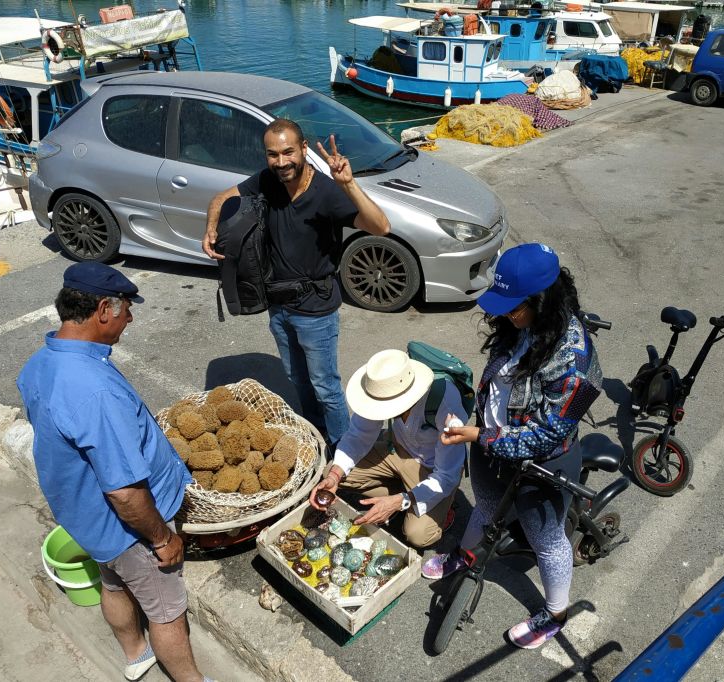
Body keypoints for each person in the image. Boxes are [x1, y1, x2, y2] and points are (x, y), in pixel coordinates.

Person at [17, 262, 213, 682]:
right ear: (104, 309)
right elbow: (125, 493)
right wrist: (162, 539)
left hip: (87, 519)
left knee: (112, 583)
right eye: (127, 308)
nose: (131, 318)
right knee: (167, 611)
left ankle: (135, 653)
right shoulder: (95, 391)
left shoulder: (41, 362)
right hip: (129, 529)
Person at [421, 243, 603, 650]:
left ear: (543, 301)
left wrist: (479, 436)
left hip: (544, 464)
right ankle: (466, 556)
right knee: (484, 508)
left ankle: (555, 614)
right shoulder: (517, 325)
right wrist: (480, 426)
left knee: (547, 540)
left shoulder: (576, 361)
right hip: (492, 448)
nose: (504, 315)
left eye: (513, 307)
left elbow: (548, 433)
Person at [202, 118, 390, 447]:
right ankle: (317, 437)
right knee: (298, 381)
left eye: (288, 152)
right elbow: (219, 199)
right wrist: (211, 229)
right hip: (278, 306)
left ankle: (344, 451)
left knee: (326, 388)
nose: (281, 162)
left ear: (303, 149)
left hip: (316, 310)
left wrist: (348, 184)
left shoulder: (327, 192)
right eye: (272, 154)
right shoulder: (267, 180)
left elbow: (381, 227)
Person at [307, 349, 467, 548]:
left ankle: (436, 507)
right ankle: (400, 495)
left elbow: (446, 475)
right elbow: (358, 435)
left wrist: (401, 501)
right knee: (332, 472)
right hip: (396, 448)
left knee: (418, 535)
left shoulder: (445, 402)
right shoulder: (381, 387)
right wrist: (335, 475)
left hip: (434, 468)